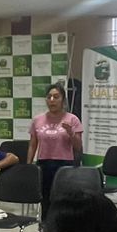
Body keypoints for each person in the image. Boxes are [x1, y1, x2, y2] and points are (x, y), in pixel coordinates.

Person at [28, 84, 83, 216]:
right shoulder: (38, 120)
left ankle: (64, 226)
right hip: (44, 164)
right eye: (49, 97)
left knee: (64, 201)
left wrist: (71, 132)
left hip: (65, 165)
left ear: (63, 100)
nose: (52, 100)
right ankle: (46, 226)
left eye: (56, 97)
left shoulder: (72, 119)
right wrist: (28, 165)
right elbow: (32, 145)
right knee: (46, 200)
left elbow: (78, 147)